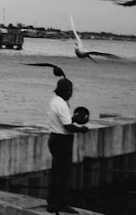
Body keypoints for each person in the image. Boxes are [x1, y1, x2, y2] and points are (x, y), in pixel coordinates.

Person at [46, 77, 88, 213]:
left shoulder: (55, 101)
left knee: (56, 172)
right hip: (62, 141)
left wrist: (74, 118)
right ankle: (62, 204)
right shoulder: (62, 104)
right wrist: (81, 129)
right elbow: (68, 126)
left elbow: (65, 120)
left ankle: (51, 202)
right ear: (62, 91)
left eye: (71, 90)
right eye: (68, 90)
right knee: (64, 174)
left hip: (54, 138)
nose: (71, 93)